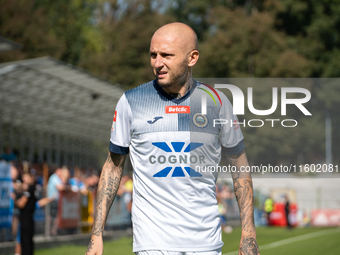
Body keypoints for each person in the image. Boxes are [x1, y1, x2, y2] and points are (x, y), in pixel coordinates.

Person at [85, 22, 259, 255]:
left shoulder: (217, 103)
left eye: (166, 55)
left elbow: (240, 167)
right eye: (153, 55)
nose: (157, 63)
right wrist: (97, 234)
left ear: (192, 58)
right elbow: (113, 167)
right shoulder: (131, 102)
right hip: (152, 244)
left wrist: (248, 234)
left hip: (206, 243)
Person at [15, 173, 36, 255]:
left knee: (25, 241)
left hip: (26, 219)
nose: (24, 179)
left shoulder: (29, 189)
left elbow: (21, 204)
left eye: (26, 177)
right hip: (29, 218)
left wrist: (14, 199)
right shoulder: (33, 188)